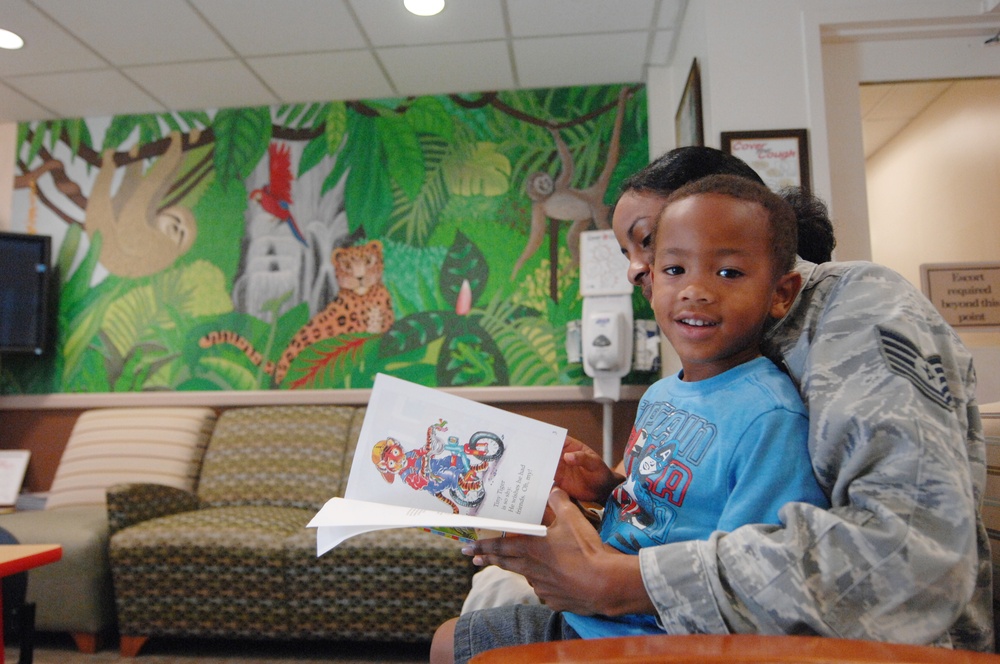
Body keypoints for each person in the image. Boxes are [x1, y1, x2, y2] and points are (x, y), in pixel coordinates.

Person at [449, 146, 992, 656]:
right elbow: (689, 506)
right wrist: (607, 488)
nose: (637, 269)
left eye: (648, 240)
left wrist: (617, 581)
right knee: (487, 603)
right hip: (711, 623)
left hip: (873, 648)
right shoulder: (711, 358)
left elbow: (913, 562)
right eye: (642, 256)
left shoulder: (856, 308)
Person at [432, 174, 832, 662]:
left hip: (660, 638)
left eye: (728, 273)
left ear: (781, 293)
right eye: (675, 269)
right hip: (592, 617)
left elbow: (752, 580)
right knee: (449, 639)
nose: (695, 290)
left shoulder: (770, 417)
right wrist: (606, 486)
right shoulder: (661, 395)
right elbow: (663, 507)